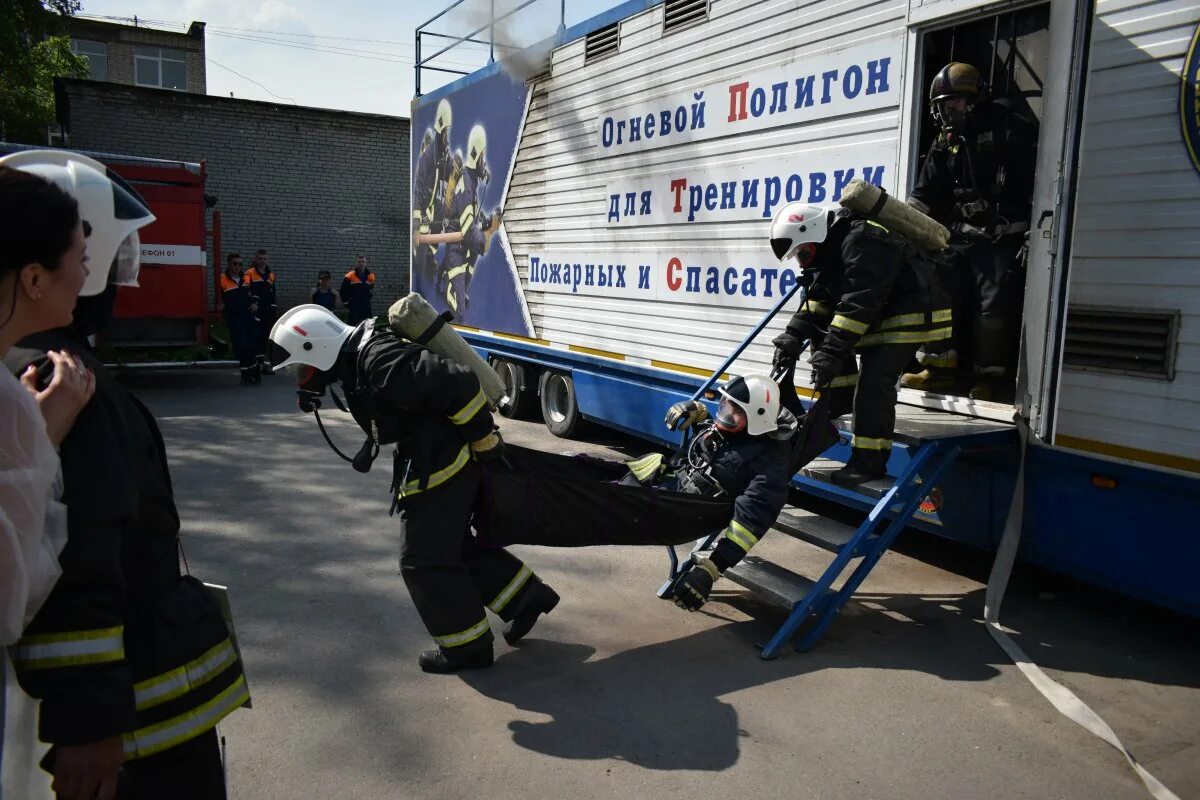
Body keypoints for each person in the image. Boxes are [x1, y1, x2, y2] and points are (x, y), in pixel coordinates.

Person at [4, 150, 247, 800]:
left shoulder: (40, 371)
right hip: (136, 711)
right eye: (98, 258)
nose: (120, 279)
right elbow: (82, 551)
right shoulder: (62, 382)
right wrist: (89, 719)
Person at [268, 304, 559, 674]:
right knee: (449, 546)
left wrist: (483, 438)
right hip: (431, 457)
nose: (300, 377)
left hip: (444, 463)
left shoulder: (378, 361)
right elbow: (390, 413)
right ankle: (525, 599)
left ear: (317, 348)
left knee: (421, 560)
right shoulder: (357, 359)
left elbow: (459, 382)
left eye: (300, 369)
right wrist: (316, 388)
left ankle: (467, 649)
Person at [0, 162, 96, 800]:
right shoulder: (15, 403)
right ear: (34, 278)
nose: (89, 273)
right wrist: (44, 439)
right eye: (80, 256)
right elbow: (13, 587)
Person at [769, 201, 952, 485]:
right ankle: (839, 402)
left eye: (802, 252)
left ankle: (868, 463)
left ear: (814, 232)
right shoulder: (831, 248)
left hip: (910, 317)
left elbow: (858, 305)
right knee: (825, 341)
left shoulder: (863, 241)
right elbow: (820, 299)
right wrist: (792, 337)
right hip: (882, 314)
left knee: (873, 384)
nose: (802, 261)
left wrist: (831, 352)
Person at [903, 62, 1039, 401]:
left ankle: (990, 379)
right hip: (961, 237)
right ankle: (938, 370)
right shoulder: (946, 140)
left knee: (992, 312)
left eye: (953, 104)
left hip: (1002, 238)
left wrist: (1032, 235)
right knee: (937, 294)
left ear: (974, 99)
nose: (948, 113)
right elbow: (924, 193)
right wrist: (900, 222)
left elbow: (1038, 185)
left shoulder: (1012, 130)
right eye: (943, 107)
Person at [652, 375, 795, 611]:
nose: (724, 414)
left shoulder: (770, 465)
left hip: (681, 510)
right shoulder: (740, 431)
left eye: (733, 410)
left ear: (756, 418)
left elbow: (749, 524)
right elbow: (719, 450)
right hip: (667, 484)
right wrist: (700, 415)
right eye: (724, 405)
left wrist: (710, 569)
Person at [441, 124, 501, 318]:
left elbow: (473, 214)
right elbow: (470, 235)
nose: (485, 162)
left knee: (464, 297)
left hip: (461, 248)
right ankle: (448, 286)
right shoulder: (467, 184)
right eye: (483, 156)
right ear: (477, 155)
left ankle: (453, 284)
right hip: (457, 250)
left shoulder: (470, 180)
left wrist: (487, 219)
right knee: (459, 310)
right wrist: (490, 230)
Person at [412, 99, 453, 290]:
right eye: (446, 132)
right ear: (440, 129)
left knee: (439, 211)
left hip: (431, 210)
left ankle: (429, 260)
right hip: (422, 215)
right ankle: (424, 268)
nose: (447, 136)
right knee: (421, 260)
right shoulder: (427, 157)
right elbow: (418, 189)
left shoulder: (442, 154)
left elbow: (452, 171)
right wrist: (416, 221)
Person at [220, 253, 259, 385]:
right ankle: (245, 374)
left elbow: (255, 293)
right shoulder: (222, 279)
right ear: (229, 264)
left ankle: (253, 375)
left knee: (251, 345)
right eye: (235, 263)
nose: (237, 267)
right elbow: (219, 297)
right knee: (240, 345)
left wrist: (255, 303)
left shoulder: (246, 278)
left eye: (240, 264)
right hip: (234, 317)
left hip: (248, 316)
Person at [243, 248, 276, 374]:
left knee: (265, 338)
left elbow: (273, 293)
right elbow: (245, 290)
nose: (262, 261)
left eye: (265, 259)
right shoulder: (248, 274)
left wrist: (274, 307)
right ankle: (254, 365)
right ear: (255, 259)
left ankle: (262, 365)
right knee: (255, 337)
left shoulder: (271, 275)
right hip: (256, 311)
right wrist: (252, 303)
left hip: (269, 311)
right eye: (260, 258)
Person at [340, 254, 375, 324]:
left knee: (368, 325)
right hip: (354, 304)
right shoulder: (350, 275)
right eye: (359, 262)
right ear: (356, 263)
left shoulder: (371, 276)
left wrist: (368, 298)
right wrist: (346, 303)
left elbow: (371, 288)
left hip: (366, 304)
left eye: (363, 262)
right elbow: (343, 290)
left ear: (366, 263)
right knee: (353, 326)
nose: (361, 264)